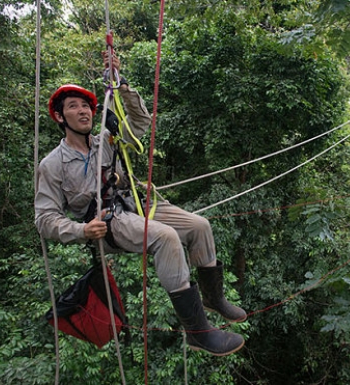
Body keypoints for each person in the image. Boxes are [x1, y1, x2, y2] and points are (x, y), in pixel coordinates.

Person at [35, 52, 246, 356]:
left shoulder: (106, 141)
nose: (83, 111)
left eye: (86, 106)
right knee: (166, 237)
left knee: (200, 226)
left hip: (135, 202)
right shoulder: (52, 165)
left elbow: (140, 122)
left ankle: (213, 298)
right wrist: (82, 230)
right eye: (73, 107)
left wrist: (121, 86)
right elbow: (45, 219)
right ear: (59, 116)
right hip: (108, 221)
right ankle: (197, 333)